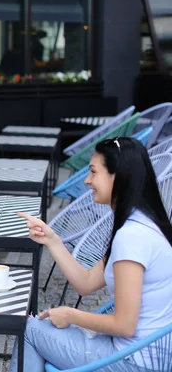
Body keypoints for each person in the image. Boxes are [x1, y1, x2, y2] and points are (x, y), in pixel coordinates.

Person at [12, 137, 172, 371]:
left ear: (117, 176)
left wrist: (70, 314)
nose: (87, 181)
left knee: (27, 330)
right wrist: (52, 240)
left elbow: (125, 325)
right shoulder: (144, 223)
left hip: (132, 361)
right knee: (37, 328)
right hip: (141, 353)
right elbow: (86, 283)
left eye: (94, 172)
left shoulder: (132, 237)